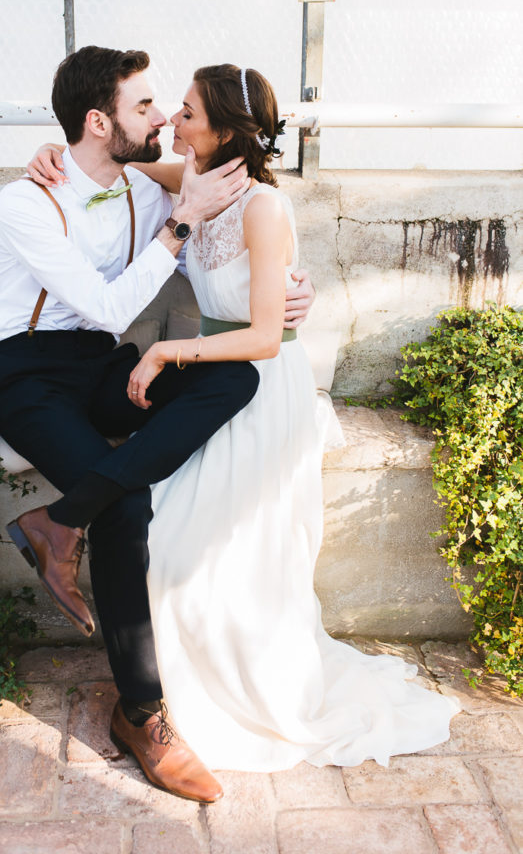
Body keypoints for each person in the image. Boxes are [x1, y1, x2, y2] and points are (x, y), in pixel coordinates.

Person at [0, 45, 315, 803]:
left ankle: (57, 522)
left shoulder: (149, 186)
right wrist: (180, 227)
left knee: (232, 378)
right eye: (143, 106)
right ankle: (141, 714)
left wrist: (297, 288)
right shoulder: (25, 200)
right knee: (127, 506)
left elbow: (252, 223)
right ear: (98, 121)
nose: (162, 116)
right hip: (27, 374)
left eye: (168, 105)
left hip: (101, 368)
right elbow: (102, 303)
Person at [120, 62, 459, 771]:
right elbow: (129, 160)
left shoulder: (263, 209)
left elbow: (268, 336)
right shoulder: (196, 182)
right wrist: (59, 154)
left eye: (185, 113)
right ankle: (175, 688)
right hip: (213, 386)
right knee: (167, 537)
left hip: (257, 388)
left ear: (223, 130)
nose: (170, 124)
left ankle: (244, 689)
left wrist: (164, 353)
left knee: (212, 555)